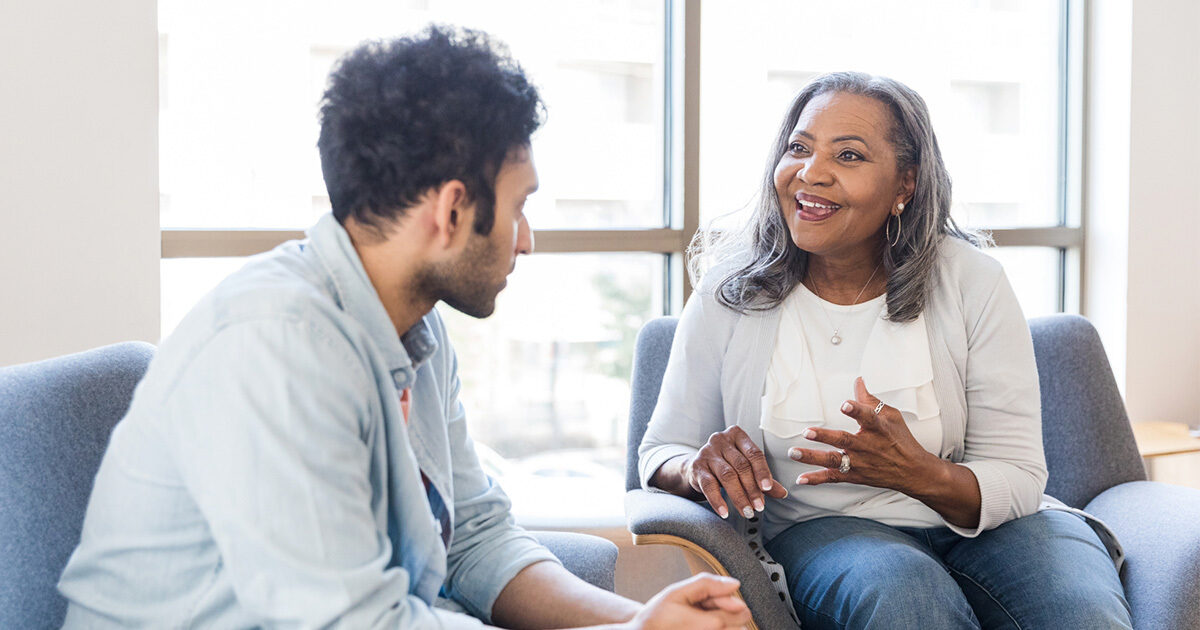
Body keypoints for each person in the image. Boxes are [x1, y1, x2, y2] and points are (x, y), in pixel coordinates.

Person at [57, 26, 750, 630]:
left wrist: (640, 619)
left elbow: (475, 536)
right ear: (451, 212)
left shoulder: (413, 327)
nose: (527, 240)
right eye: (518, 208)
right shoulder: (275, 344)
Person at [638, 72, 1132, 629]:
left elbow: (1018, 476)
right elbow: (660, 451)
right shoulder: (731, 291)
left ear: (905, 186)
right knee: (903, 594)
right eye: (798, 147)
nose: (811, 172)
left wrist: (916, 472)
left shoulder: (973, 282)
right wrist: (699, 467)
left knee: (1079, 610)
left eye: (848, 155)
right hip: (827, 533)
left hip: (997, 528)